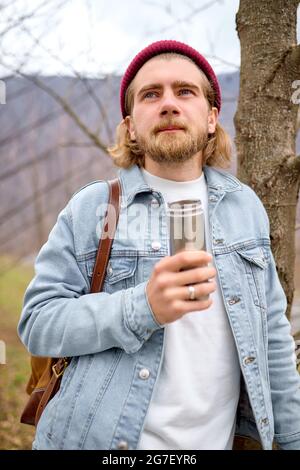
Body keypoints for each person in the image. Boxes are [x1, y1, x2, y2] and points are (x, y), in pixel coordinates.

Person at [18, 40, 300, 450]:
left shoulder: (245, 207)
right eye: (151, 94)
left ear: (210, 118)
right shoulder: (95, 208)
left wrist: (293, 437)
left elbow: (272, 334)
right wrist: (141, 308)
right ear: (131, 125)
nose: (169, 104)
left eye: (185, 91)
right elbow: (38, 324)